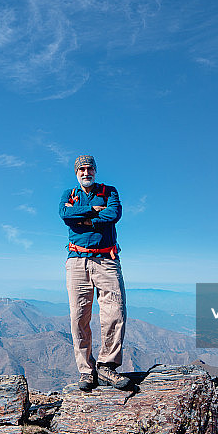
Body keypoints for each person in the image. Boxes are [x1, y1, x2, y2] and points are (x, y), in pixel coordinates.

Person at [59, 155, 131, 391]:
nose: (85, 172)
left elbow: (113, 215)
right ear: (76, 173)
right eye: (81, 169)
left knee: (115, 313)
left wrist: (84, 218)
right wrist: (92, 210)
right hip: (77, 262)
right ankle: (86, 371)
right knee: (78, 317)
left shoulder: (109, 191)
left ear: (95, 171)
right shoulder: (69, 195)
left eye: (89, 168)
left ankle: (106, 366)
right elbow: (65, 216)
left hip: (106, 260)